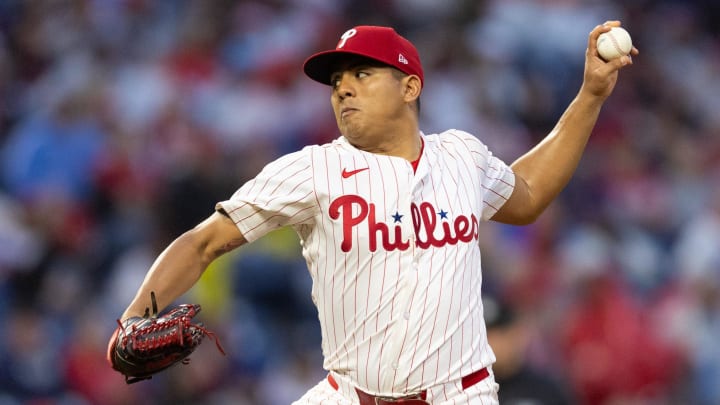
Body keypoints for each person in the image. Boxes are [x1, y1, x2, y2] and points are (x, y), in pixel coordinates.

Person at [110, 22, 637, 404]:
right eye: (338, 80)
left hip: (461, 396)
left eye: (362, 73)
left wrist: (591, 94)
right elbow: (204, 242)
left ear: (410, 87)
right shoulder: (311, 170)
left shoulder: (462, 155)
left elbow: (526, 195)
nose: (343, 87)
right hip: (348, 395)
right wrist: (134, 315)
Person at [483, 295, 575, 404]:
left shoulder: (545, 389)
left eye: (500, 334)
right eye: (486, 336)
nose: (492, 343)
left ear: (516, 333)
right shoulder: (468, 389)